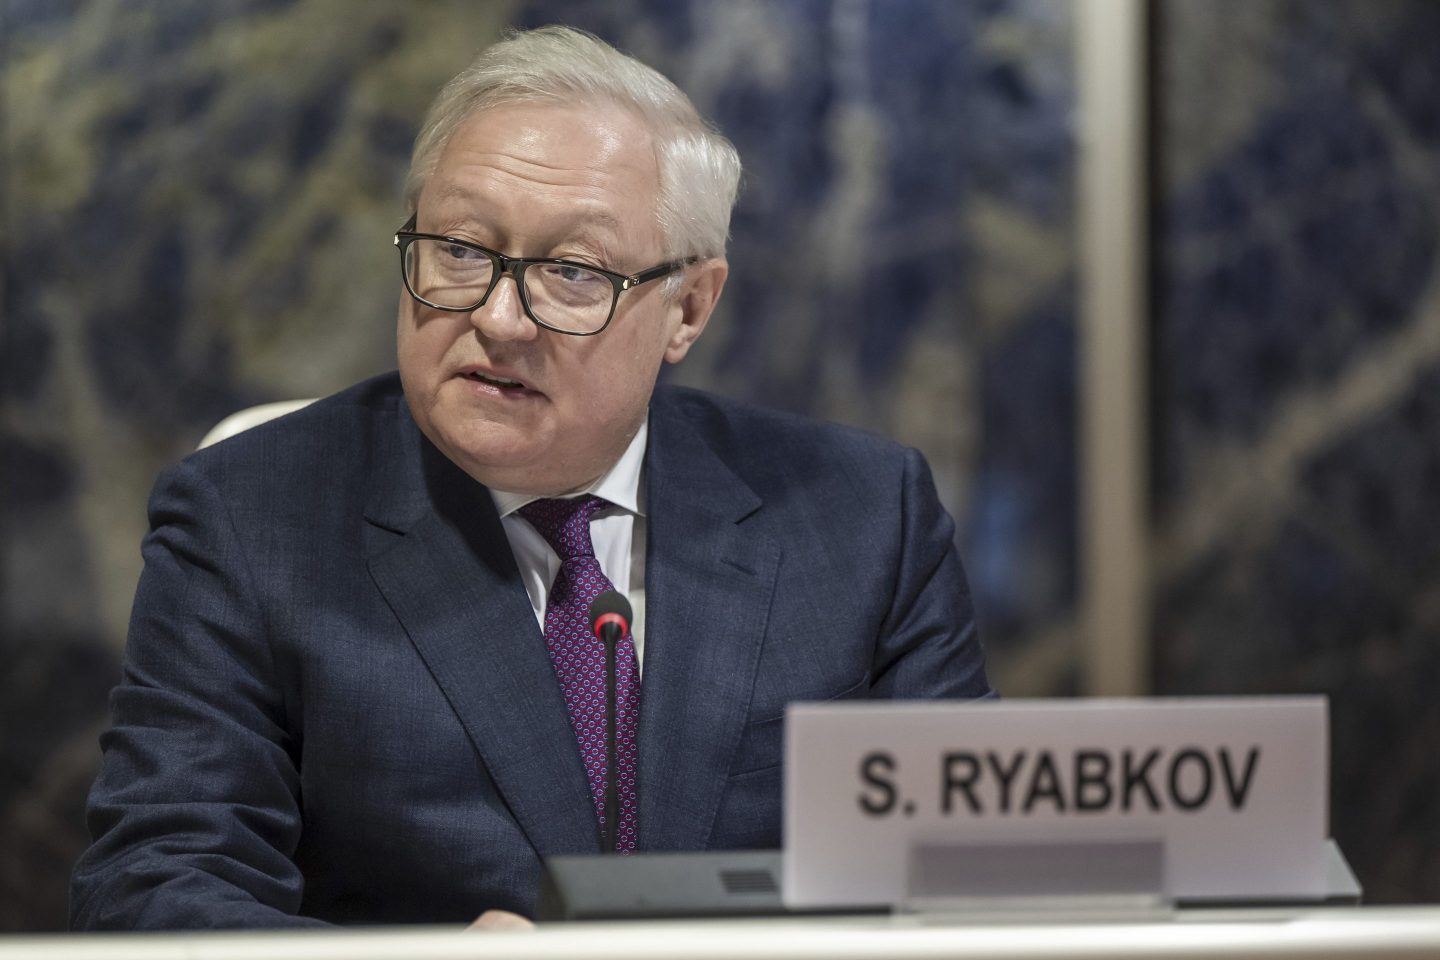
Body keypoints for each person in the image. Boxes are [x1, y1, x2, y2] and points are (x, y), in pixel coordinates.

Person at [70, 25, 992, 929]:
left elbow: (970, 878)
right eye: (462, 251)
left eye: (572, 270)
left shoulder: (862, 518)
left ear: (690, 307)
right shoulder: (249, 520)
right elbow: (156, 887)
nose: (501, 317)